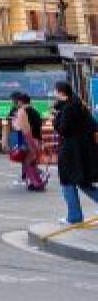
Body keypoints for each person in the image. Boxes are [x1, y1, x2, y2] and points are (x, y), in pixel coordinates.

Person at [49, 81, 98, 225]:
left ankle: (75, 216)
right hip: (84, 150)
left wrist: (54, 120)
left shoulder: (68, 108)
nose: (54, 94)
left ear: (61, 92)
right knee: (82, 181)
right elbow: (94, 125)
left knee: (67, 182)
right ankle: (74, 216)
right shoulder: (80, 105)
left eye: (55, 91)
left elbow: (63, 130)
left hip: (70, 151)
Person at [8, 92, 47, 191]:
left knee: (28, 162)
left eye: (17, 101)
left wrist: (14, 123)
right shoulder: (35, 111)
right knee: (32, 162)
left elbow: (22, 128)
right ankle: (36, 182)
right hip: (37, 139)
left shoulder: (22, 111)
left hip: (28, 139)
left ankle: (36, 183)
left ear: (20, 102)